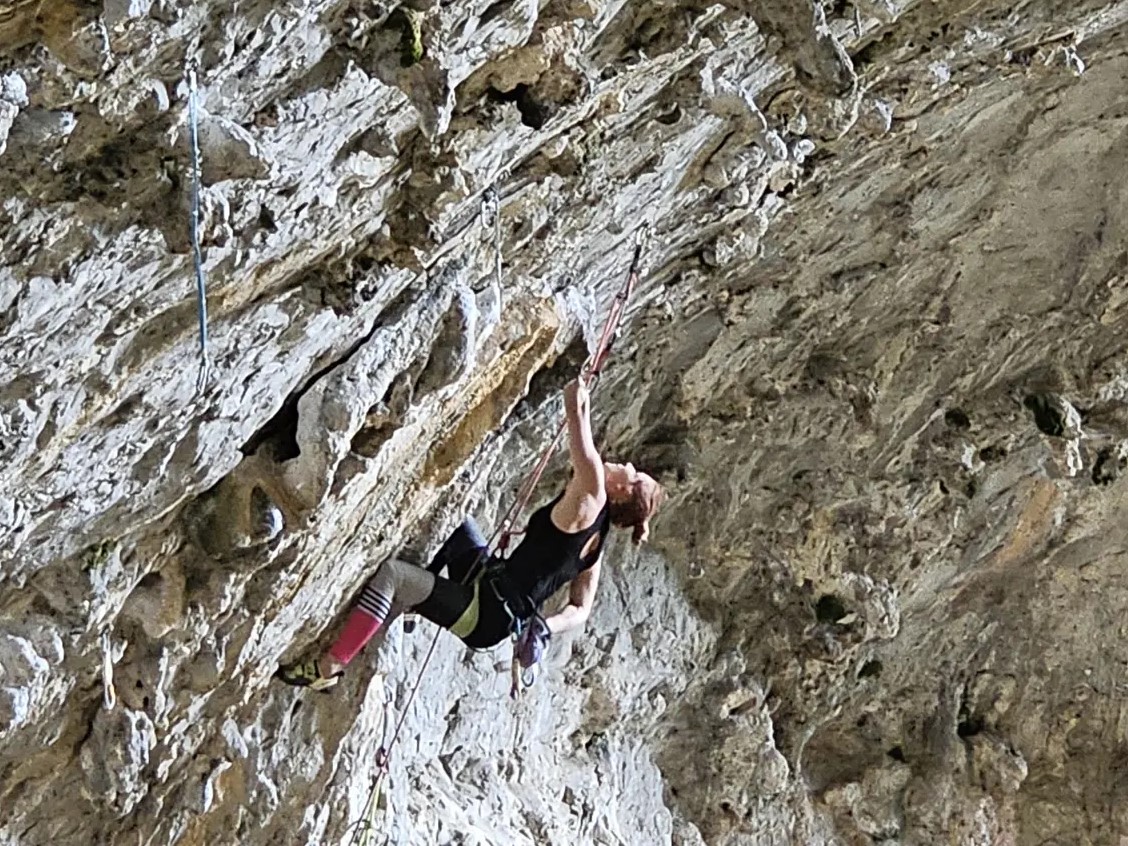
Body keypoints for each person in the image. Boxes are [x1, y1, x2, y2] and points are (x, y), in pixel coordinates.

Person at [275, 377, 664, 691]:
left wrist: (582, 397)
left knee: (392, 575)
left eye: (633, 474)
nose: (627, 464)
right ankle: (413, 601)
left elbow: (577, 424)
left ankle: (330, 666)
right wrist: (544, 627)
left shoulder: (594, 491)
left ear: (621, 492)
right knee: (453, 518)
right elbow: (581, 609)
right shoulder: (595, 546)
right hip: (490, 586)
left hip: (484, 615)